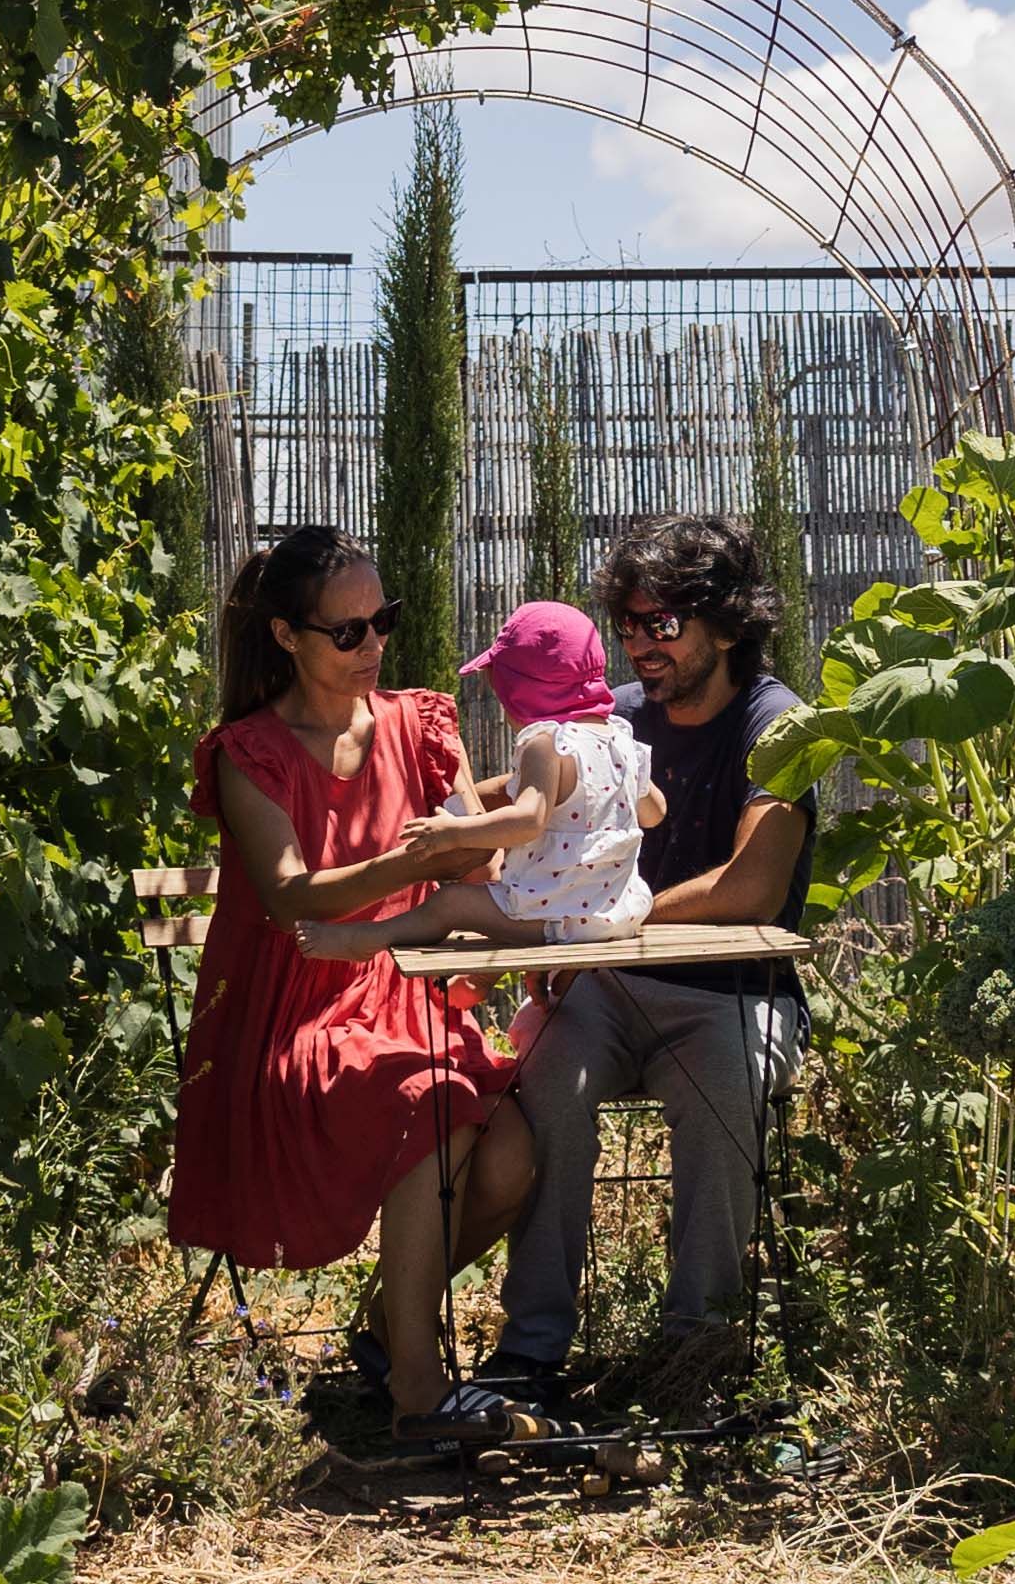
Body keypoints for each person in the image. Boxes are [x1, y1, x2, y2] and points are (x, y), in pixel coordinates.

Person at [170, 526, 533, 1425]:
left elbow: (470, 869)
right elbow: (294, 897)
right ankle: (417, 1385)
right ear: (287, 636)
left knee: (517, 1154)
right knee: (432, 1103)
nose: (373, 645)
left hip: (406, 989)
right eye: (349, 631)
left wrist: (488, 836)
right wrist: (422, 847)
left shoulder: (417, 722)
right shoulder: (250, 750)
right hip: (298, 1007)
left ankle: (388, 1319)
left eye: (384, 621)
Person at [487, 514, 813, 1409]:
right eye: (626, 624)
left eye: (661, 623)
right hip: (610, 987)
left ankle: (695, 1350)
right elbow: (519, 812)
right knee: (545, 1078)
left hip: (732, 991)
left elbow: (751, 885)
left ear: (728, 622)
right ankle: (531, 1348)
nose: (638, 642)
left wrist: (599, 922)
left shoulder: (779, 726)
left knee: (725, 1085)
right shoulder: (614, 720)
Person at [293, 600, 666, 963]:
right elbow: (654, 812)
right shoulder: (618, 736)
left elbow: (527, 820)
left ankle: (368, 938)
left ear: (523, 693)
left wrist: (454, 832)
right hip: (620, 912)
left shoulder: (545, 742)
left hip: (557, 917)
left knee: (450, 903)